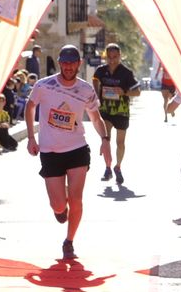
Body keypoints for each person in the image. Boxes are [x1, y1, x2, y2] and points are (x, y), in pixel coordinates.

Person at [24, 44, 112, 260]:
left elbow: (95, 117)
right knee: (58, 205)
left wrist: (105, 139)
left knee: (77, 199)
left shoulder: (85, 90)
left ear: (79, 64)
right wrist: (31, 137)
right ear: (60, 63)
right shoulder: (44, 86)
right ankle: (61, 203)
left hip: (77, 150)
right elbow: (30, 106)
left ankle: (69, 241)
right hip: (50, 151)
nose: (68, 66)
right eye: (65, 62)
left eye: (73, 62)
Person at [91, 42, 140, 185]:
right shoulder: (100, 70)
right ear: (106, 57)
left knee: (120, 143)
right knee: (106, 140)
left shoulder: (126, 73)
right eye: (109, 57)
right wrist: (96, 96)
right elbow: (95, 81)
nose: (112, 60)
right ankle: (107, 168)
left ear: (120, 56)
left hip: (121, 112)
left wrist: (123, 92)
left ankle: (117, 167)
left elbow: (137, 92)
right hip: (106, 111)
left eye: (115, 57)